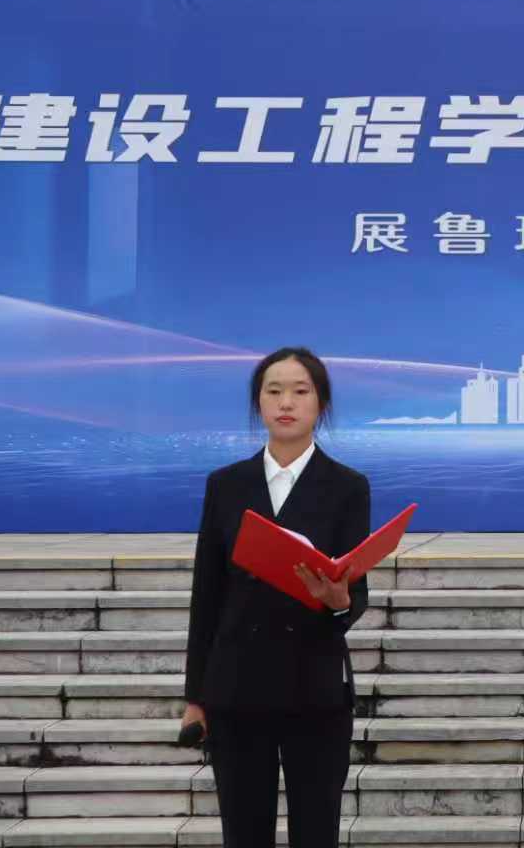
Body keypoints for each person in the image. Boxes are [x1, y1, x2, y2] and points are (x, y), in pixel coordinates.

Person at [183, 347, 371, 848]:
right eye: (274, 391)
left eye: (300, 391)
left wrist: (336, 599)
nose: (286, 402)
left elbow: (355, 597)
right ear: (259, 403)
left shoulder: (348, 487)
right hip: (237, 689)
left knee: (316, 832)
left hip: (316, 690)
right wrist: (196, 697)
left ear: (321, 404)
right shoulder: (226, 485)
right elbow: (207, 596)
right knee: (244, 833)